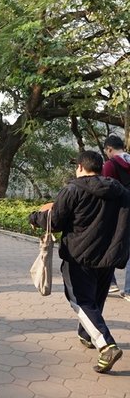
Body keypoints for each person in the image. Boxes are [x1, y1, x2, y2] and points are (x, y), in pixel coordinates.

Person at [29, 150, 130, 373]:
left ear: (81, 167)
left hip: (79, 256)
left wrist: (35, 217)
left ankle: (106, 345)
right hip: (108, 256)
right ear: (100, 168)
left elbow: (55, 221)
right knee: (96, 299)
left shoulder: (73, 190)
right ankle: (87, 334)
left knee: (81, 300)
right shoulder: (121, 192)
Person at [101, 134, 130, 301]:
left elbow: (106, 190)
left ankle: (110, 283)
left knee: (108, 245)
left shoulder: (110, 165)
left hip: (117, 213)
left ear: (109, 149)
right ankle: (129, 290)